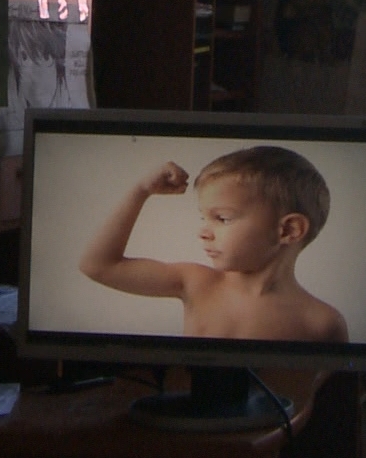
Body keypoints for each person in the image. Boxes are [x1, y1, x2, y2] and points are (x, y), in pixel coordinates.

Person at [80, 145, 349, 343]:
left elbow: (334, 397)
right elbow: (98, 266)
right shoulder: (195, 283)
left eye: (222, 218)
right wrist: (141, 191)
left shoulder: (322, 323)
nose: (203, 232)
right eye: (204, 218)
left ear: (289, 230)